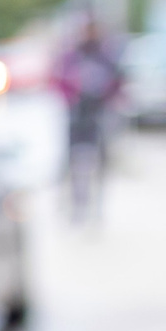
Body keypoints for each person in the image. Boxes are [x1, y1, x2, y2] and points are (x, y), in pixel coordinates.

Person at [54, 19, 125, 225]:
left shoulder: (106, 57)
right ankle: (76, 207)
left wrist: (108, 98)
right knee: (73, 164)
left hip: (99, 116)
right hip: (77, 116)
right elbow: (59, 81)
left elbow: (118, 82)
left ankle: (97, 208)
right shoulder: (72, 57)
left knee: (100, 165)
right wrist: (72, 96)